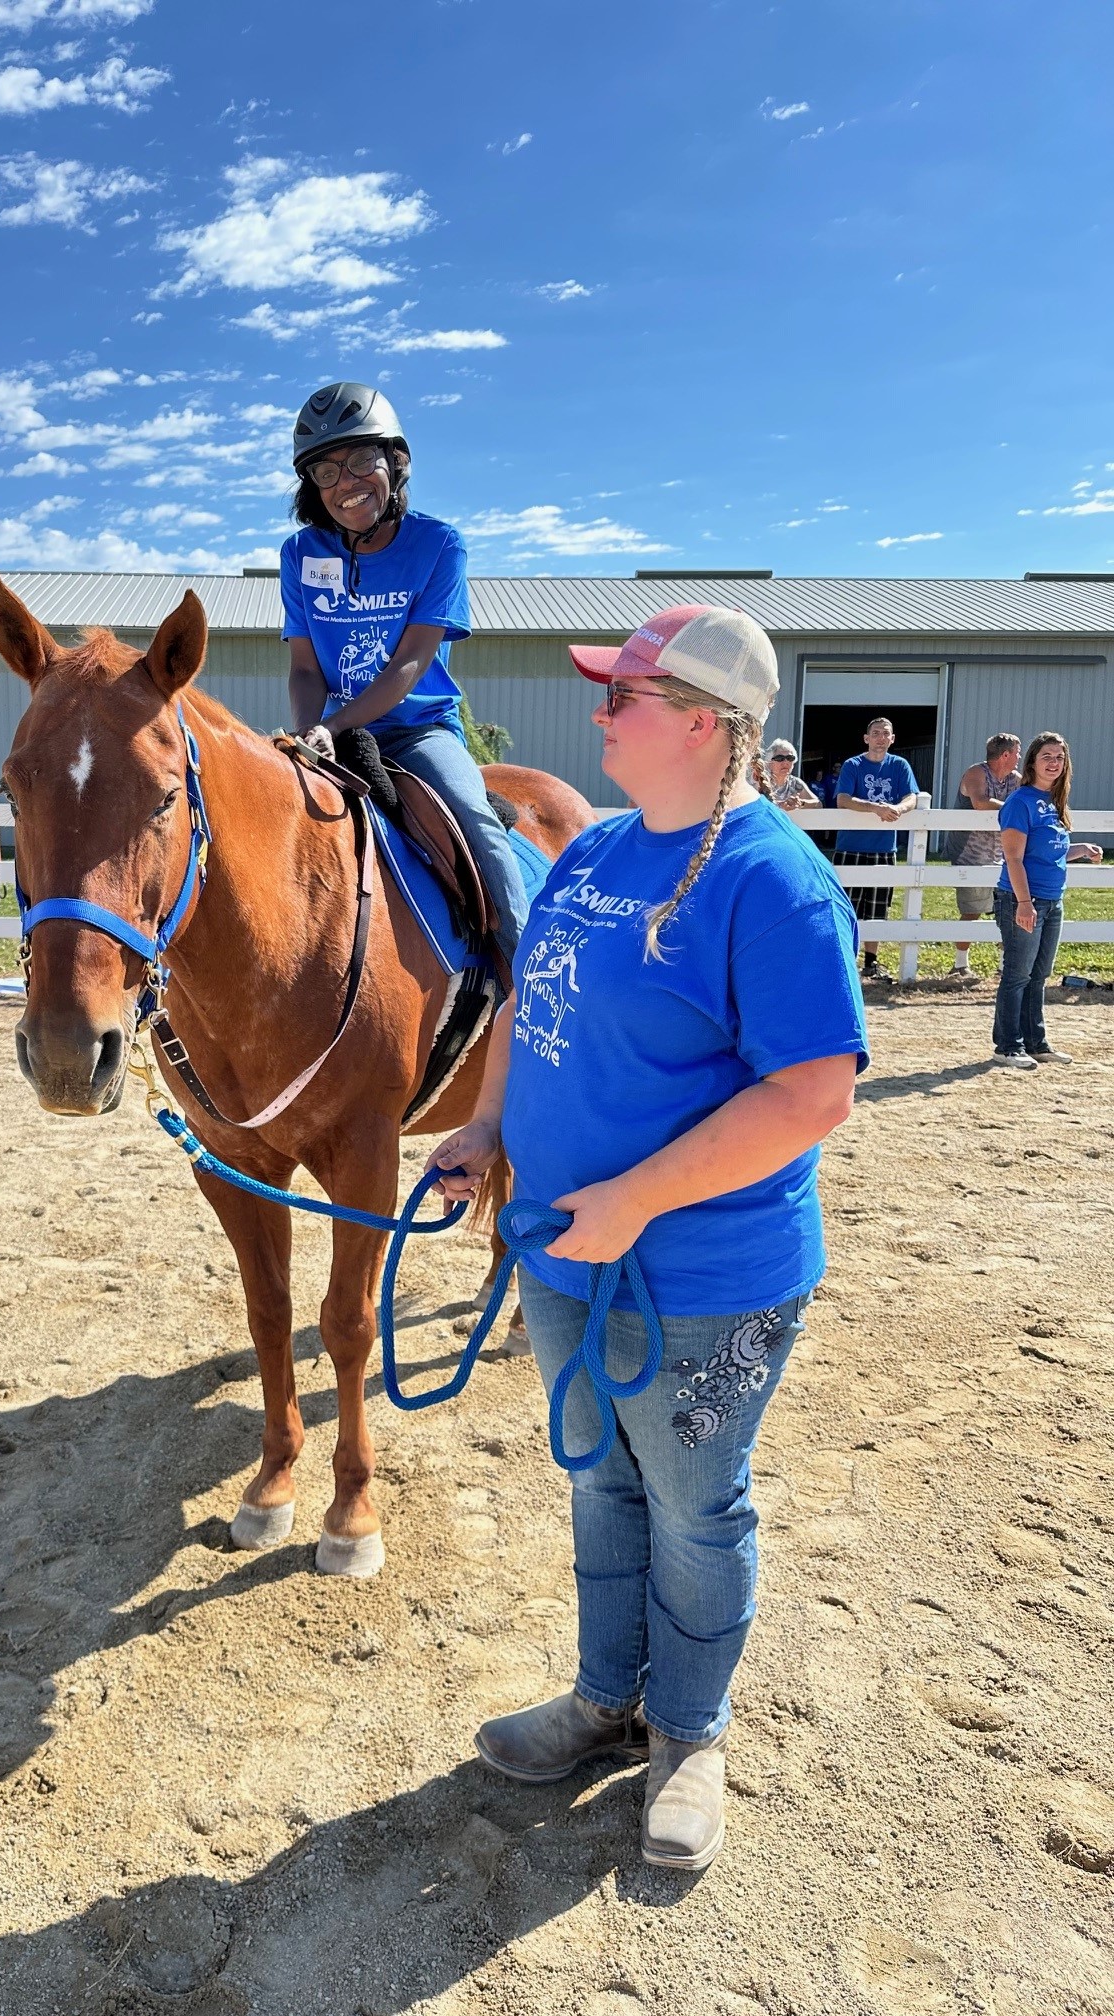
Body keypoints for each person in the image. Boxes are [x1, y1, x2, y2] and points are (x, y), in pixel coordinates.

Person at [426, 605, 867, 1872]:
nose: (599, 712)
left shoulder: (773, 881)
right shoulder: (598, 848)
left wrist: (635, 1201)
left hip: (705, 1275)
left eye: (620, 695)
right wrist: (488, 1125)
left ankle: (689, 1734)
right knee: (600, 1480)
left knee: (692, 1502)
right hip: (566, 1247)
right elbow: (529, 999)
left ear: (696, 721)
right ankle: (604, 1697)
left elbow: (812, 1093)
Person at [281, 381, 528, 960]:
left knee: (474, 820)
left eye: (362, 460)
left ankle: (526, 971)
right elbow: (303, 668)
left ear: (397, 462)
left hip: (419, 731)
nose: (346, 483)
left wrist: (333, 727)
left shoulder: (440, 545)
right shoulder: (301, 554)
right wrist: (309, 732)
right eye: (325, 471)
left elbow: (411, 664)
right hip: (328, 730)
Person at [991, 731, 1103, 1069]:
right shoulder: (1020, 801)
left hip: (1052, 901)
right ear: (1033, 763)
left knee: (1038, 975)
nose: (1054, 763)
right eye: (1047, 757)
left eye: (1059, 757)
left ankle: (1036, 1043)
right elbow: (1014, 858)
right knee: (1017, 975)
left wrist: (1079, 850)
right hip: (1023, 900)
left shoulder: (1055, 802)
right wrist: (1024, 904)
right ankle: (1007, 1046)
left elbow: (1047, 852)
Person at [833, 718, 918, 984]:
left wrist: (899, 809)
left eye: (886, 734)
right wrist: (876, 807)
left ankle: (871, 963)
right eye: (876, 733)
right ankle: (845, 960)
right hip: (851, 846)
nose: (881, 738)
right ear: (866, 738)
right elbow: (843, 799)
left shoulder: (899, 766)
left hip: (884, 847)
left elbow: (912, 796)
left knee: (878, 907)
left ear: (892, 739)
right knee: (849, 906)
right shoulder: (853, 765)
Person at [949, 733, 1020, 976]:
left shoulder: (1016, 780)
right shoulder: (976, 773)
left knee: (1007, 909)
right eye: (1017, 753)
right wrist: (1013, 808)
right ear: (1005, 755)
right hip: (970, 851)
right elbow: (980, 802)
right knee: (971, 910)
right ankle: (960, 965)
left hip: (1003, 852)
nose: (1019, 758)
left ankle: (1004, 965)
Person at [764, 738, 820, 815]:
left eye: (790, 758)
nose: (786, 762)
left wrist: (801, 803)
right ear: (770, 763)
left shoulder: (796, 783)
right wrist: (779, 807)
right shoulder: (761, 781)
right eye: (780, 758)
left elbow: (818, 804)